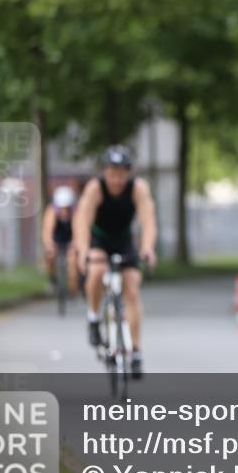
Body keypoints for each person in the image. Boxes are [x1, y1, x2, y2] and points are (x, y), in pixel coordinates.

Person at [73, 145, 158, 378]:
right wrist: (83, 251)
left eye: (121, 174)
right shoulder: (95, 189)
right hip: (99, 240)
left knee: (132, 287)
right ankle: (93, 318)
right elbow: (82, 222)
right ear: (104, 172)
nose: (116, 179)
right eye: (112, 173)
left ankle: (136, 351)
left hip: (124, 240)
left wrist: (148, 248)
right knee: (97, 271)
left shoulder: (138, 189)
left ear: (129, 173)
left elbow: (148, 221)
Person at [42, 186, 79, 295]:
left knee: (73, 259)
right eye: (62, 208)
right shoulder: (52, 211)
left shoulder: (76, 212)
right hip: (57, 238)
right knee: (49, 256)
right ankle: (52, 280)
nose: (64, 211)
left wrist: (75, 245)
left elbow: (78, 231)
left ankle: (74, 287)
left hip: (70, 238)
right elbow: (47, 231)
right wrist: (50, 245)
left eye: (67, 208)